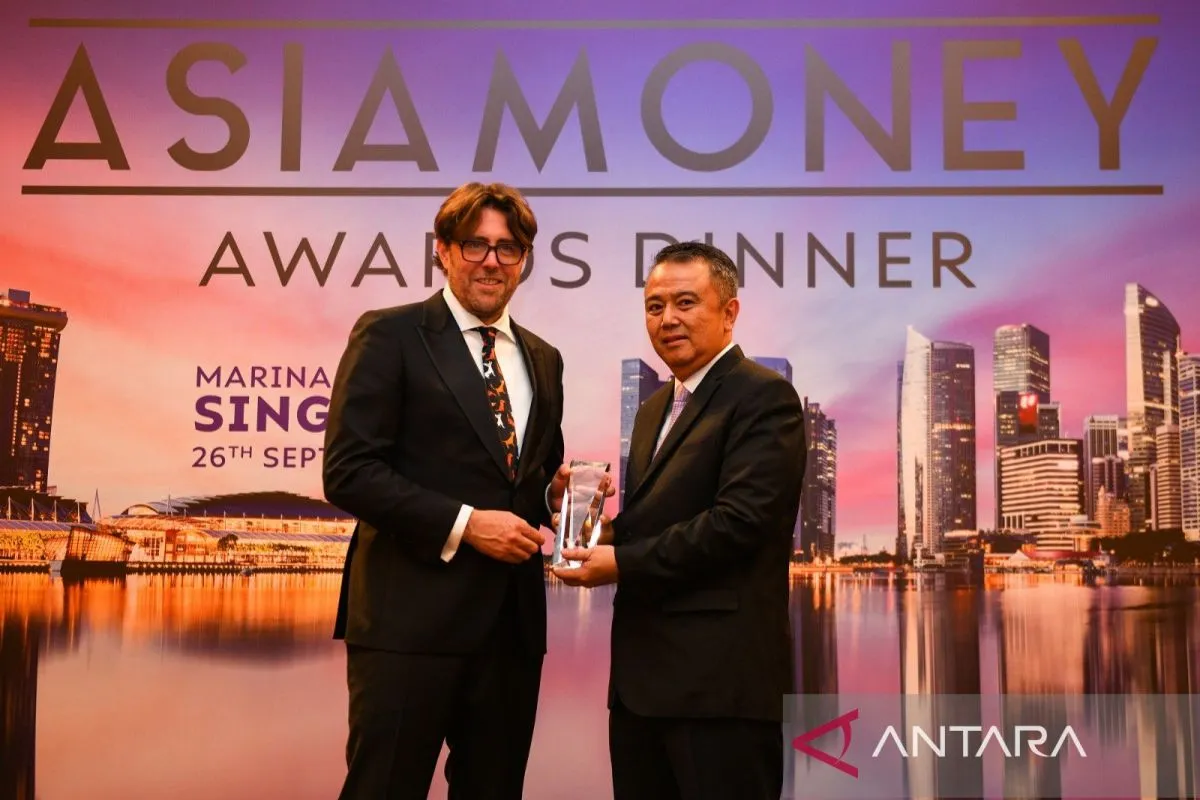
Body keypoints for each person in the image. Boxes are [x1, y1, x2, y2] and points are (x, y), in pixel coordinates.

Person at [323, 181, 568, 800]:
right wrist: (467, 524)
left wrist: (556, 495)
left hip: (511, 632)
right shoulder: (390, 334)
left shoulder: (545, 358)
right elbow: (349, 470)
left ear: (524, 260)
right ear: (443, 250)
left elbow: (529, 478)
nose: (491, 261)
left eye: (508, 248)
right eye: (475, 245)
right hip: (408, 626)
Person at [552, 240, 808, 800]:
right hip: (640, 689)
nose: (667, 319)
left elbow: (739, 524)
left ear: (729, 312)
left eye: (685, 302)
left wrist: (621, 562)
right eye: (654, 306)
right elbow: (651, 521)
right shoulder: (652, 410)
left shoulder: (765, 396)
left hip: (720, 689)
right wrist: (586, 527)